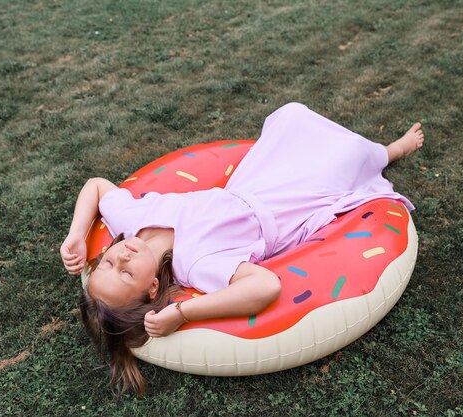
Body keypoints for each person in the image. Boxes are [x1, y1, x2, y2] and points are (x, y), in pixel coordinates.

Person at [60, 102, 424, 394]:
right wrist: (184, 313)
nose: (119, 256)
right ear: (153, 287)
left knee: (291, 115)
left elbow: (96, 186)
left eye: (107, 263)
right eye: (125, 273)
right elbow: (264, 287)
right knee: (344, 158)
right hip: (288, 207)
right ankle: (389, 151)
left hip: (254, 182)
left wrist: (76, 234)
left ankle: (374, 152)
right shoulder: (196, 263)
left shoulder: (129, 221)